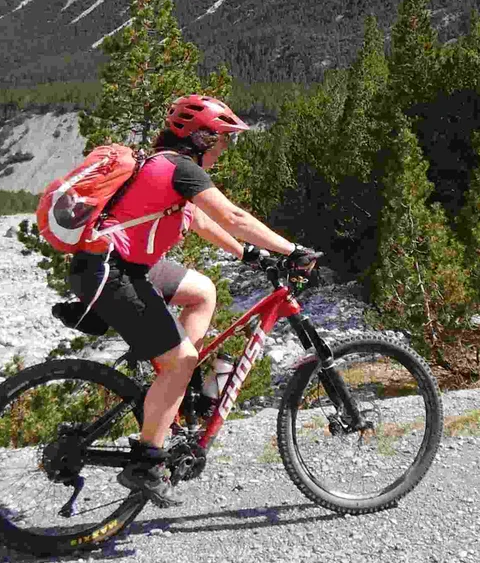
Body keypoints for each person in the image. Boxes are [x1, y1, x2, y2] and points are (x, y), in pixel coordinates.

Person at [65, 93, 317, 503]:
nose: (224, 149)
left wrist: (248, 254)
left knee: (202, 292)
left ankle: (178, 390)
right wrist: (292, 251)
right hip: (110, 272)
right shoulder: (179, 168)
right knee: (178, 360)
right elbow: (232, 217)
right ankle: (147, 461)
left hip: (120, 264)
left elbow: (197, 220)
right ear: (202, 139)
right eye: (222, 139)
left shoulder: (162, 165)